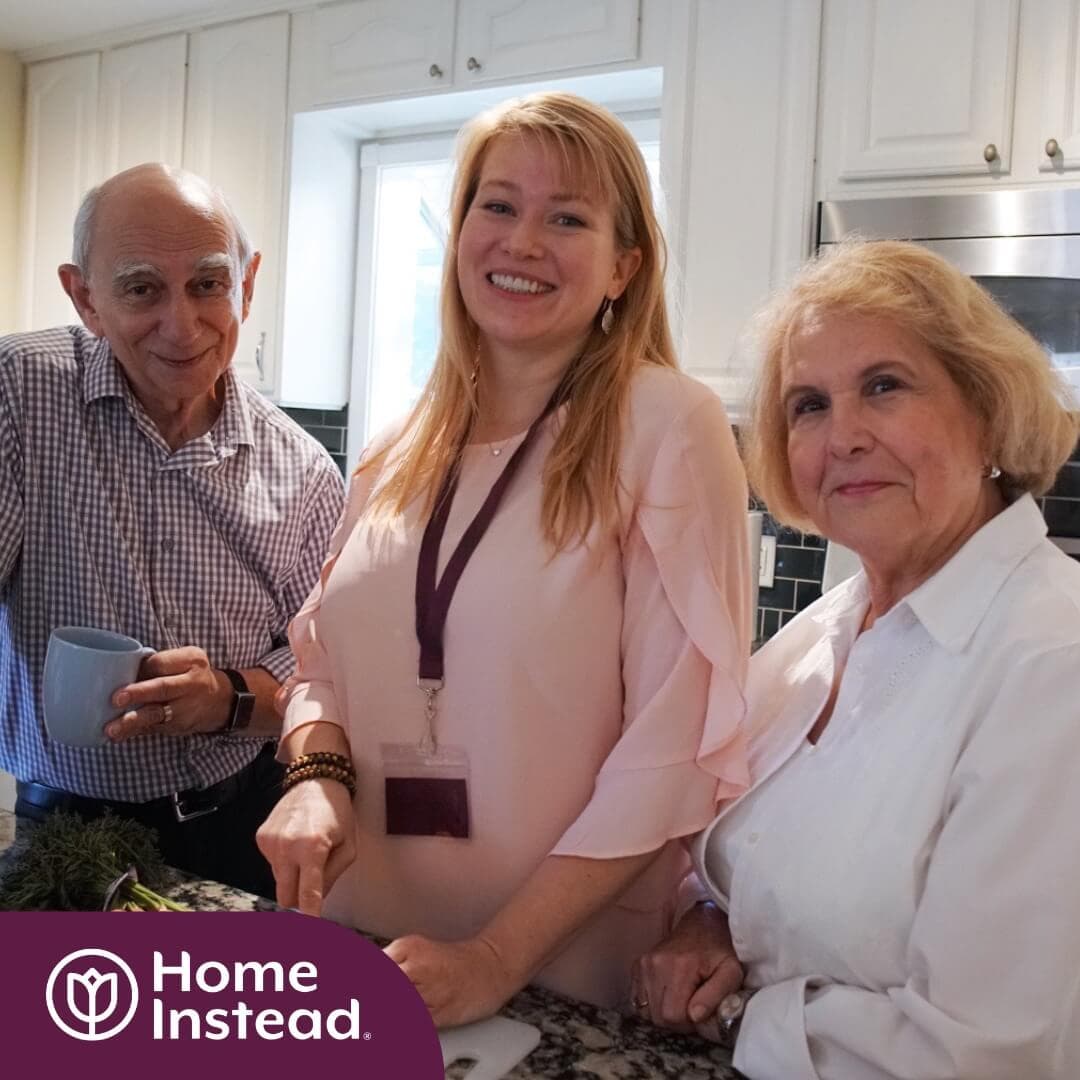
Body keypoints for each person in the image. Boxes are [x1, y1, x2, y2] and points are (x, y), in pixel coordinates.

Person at [256, 91, 752, 1025]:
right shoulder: (399, 441)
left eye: (567, 217)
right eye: (498, 205)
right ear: (457, 234)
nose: (522, 240)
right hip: (371, 936)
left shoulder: (667, 427)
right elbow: (320, 661)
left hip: (557, 970)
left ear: (623, 267)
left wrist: (494, 958)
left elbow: (671, 746)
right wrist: (317, 778)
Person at [633, 239, 1080, 1079]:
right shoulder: (823, 633)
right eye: (808, 405)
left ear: (984, 409)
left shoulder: (1054, 665)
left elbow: (980, 1054)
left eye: (884, 386)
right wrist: (711, 921)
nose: (843, 437)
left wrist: (738, 1012)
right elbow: (750, 855)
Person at [1, 164, 345, 897]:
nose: (181, 325)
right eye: (141, 288)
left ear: (246, 286)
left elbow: (332, 681)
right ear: (85, 298)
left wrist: (226, 697)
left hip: (238, 821)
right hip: (63, 826)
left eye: (207, 284)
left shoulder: (308, 474)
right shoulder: (21, 395)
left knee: (212, 1011)